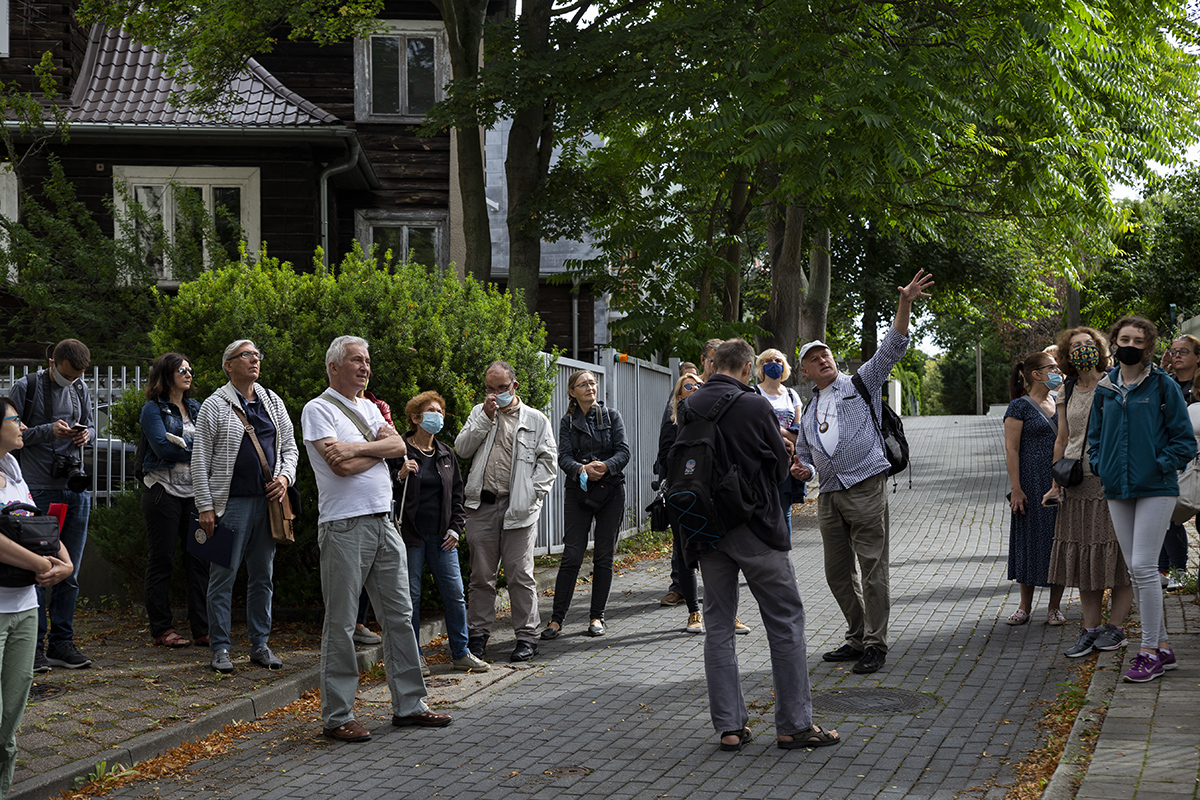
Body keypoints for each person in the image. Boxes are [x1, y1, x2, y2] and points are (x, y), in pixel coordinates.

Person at [683, 338, 839, 751]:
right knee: (785, 620)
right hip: (755, 528)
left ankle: (730, 728)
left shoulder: (690, 405)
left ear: (713, 364)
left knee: (718, 627)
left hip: (706, 531)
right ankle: (794, 725)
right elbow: (778, 470)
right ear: (748, 368)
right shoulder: (755, 405)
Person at [302, 336, 451, 742]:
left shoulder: (370, 406)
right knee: (341, 622)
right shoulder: (318, 409)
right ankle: (338, 715)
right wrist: (378, 450)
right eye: (356, 360)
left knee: (400, 616)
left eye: (367, 360)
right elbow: (340, 468)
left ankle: (410, 704)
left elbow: (400, 445)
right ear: (334, 367)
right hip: (344, 526)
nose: (365, 367)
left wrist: (355, 449)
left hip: (385, 523)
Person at [791, 270, 934, 675]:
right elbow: (804, 455)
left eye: (826, 355)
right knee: (837, 573)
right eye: (813, 359)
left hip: (865, 486)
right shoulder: (809, 409)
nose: (823, 360)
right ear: (805, 372)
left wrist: (904, 302)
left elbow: (893, 346)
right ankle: (856, 636)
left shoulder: (860, 383)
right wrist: (802, 469)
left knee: (872, 569)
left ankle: (875, 643)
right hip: (828, 495)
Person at [1088, 317, 1196, 682]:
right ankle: (1162, 647)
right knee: (1136, 568)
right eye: (1125, 339)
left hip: (1156, 487)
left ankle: (1148, 651)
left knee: (1144, 566)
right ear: (1114, 342)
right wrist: (1100, 465)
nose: (1130, 345)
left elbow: (1185, 441)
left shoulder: (1163, 385)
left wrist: (1157, 465)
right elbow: (1095, 437)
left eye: (1138, 340)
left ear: (1148, 346)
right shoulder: (1105, 388)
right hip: (1117, 487)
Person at [192, 340, 298, 674]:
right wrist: (205, 506)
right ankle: (220, 648)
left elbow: (290, 447)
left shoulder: (272, 401)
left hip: (268, 505)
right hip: (229, 506)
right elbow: (199, 459)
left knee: (263, 576)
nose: (254, 360)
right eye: (246, 355)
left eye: (256, 355)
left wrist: (285, 477)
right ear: (228, 365)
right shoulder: (214, 405)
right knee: (222, 577)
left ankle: (260, 645)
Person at [455, 361, 557, 663]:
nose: (495, 394)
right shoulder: (479, 412)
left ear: (514, 386)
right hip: (482, 506)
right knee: (481, 576)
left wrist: (531, 495)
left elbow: (548, 463)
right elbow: (462, 449)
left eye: (501, 388)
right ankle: (477, 636)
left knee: (520, 574)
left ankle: (527, 637)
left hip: (519, 508)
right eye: (490, 388)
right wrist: (484, 418)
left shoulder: (535, 419)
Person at [1041, 328, 1133, 657]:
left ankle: (1115, 628)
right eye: (1077, 345)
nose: (1083, 349)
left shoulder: (1115, 383)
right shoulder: (1066, 388)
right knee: (1084, 561)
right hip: (1077, 484)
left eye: (1089, 344)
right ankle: (1090, 630)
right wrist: (1055, 482)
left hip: (1112, 482)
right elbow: (1062, 439)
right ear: (1067, 353)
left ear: (1101, 349)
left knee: (1117, 557)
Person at [0, 396, 72, 795]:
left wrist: (66, 563)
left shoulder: (14, 471)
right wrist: (41, 564)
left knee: (9, 722)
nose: (24, 426)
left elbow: (39, 527)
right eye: (15, 420)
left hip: (26, 607)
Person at [10, 339, 96, 672]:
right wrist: (49, 432)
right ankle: (33, 647)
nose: (72, 381)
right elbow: (11, 435)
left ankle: (62, 642)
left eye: (78, 376)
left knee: (69, 571)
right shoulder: (26, 387)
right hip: (39, 490)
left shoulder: (81, 388)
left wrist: (85, 435)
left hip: (75, 487)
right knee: (38, 568)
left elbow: (90, 425)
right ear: (52, 363)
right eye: (67, 375)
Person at [395, 391, 487, 673]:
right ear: (415, 418)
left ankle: (461, 652)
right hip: (410, 537)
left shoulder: (446, 453)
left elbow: (458, 496)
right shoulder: (399, 450)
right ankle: (414, 657)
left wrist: (456, 529)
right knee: (411, 598)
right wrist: (400, 475)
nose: (438, 416)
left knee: (455, 594)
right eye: (431, 411)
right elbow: (384, 490)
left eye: (440, 412)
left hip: (442, 537)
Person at [542, 370, 630, 640]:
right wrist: (582, 469)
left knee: (604, 556)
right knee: (572, 555)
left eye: (593, 383)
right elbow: (563, 457)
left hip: (610, 491)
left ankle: (597, 617)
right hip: (578, 492)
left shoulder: (612, 416)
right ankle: (556, 620)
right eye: (584, 384)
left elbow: (624, 451)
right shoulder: (567, 422)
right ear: (572, 392)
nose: (590, 387)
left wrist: (605, 466)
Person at [139, 353, 209, 648]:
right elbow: (162, 448)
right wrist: (196, 449)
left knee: (200, 561)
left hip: (196, 494)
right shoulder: (152, 409)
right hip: (163, 492)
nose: (188, 374)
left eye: (190, 369)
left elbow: (211, 446)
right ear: (167, 374)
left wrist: (185, 445)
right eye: (182, 369)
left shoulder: (197, 407)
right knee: (162, 559)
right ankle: (162, 629)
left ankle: (203, 629)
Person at [658, 340, 724, 608]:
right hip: (684, 482)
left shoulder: (723, 394)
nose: (716, 364)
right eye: (713, 359)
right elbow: (666, 443)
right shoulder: (682, 395)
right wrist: (665, 478)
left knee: (717, 544)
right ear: (704, 360)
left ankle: (720, 601)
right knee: (683, 542)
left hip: (714, 484)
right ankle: (682, 590)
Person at [1002, 351, 1066, 626]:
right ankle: (1024, 607)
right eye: (1052, 368)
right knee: (1029, 541)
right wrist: (1016, 488)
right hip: (1029, 481)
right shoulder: (1019, 407)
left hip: (1058, 482)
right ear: (1036, 374)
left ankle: (1054, 607)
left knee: (1059, 541)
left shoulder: (1061, 401)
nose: (1058, 372)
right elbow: (1011, 449)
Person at [656, 372, 706, 634]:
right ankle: (694, 612)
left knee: (715, 555)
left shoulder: (713, 421)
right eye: (688, 386)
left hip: (709, 495)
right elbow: (665, 458)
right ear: (678, 396)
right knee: (685, 553)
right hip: (681, 495)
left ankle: (726, 612)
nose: (695, 388)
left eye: (699, 385)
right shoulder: (672, 424)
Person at [1157, 334, 1199, 590]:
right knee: (1167, 515)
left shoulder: (1198, 386)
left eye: (1184, 351)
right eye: (1173, 351)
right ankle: (1171, 569)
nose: (1177, 356)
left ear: (1198, 357)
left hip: (1196, 462)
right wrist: (1160, 371)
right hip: (1170, 459)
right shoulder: (1165, 383)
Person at [754, 348, 804, 533]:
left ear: (784, 366)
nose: (773, 364)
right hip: (761, 461)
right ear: (761, 366)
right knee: (762, 510)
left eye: (778, 360)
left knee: (784, 512)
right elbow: (753, 428)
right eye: (767, 361)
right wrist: (782, 433)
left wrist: (773, 431)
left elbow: (797, 433)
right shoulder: (753, 393)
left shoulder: (792, 395)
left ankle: (784, 550)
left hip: (786, 460)